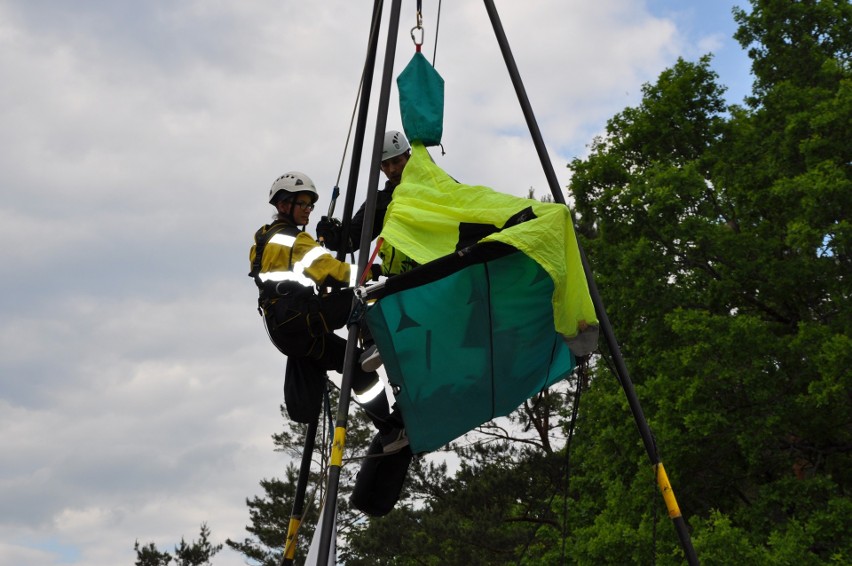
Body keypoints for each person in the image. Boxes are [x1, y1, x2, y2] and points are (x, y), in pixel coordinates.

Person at [249, 171, 407, 453]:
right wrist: (374, 272)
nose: (309, 210)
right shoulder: (295, 241)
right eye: (304, 204)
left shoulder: (262, 240)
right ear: (284, 205)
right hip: (304, 320)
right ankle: (373, 345)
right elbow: (335, 272)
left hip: (287, 332)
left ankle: (391, 433)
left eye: (311, 205)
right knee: (365, 296)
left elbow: (293, 276)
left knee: (359, 371)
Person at [315, 130, 419, 276]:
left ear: (408, 157)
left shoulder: (435, 185)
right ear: (380, 168)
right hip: (404, 281)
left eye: (396, 161)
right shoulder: (380, 202)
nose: (392, 169)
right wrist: (333, 235)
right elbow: (352, 238)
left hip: (442, 270)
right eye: (385, 164)